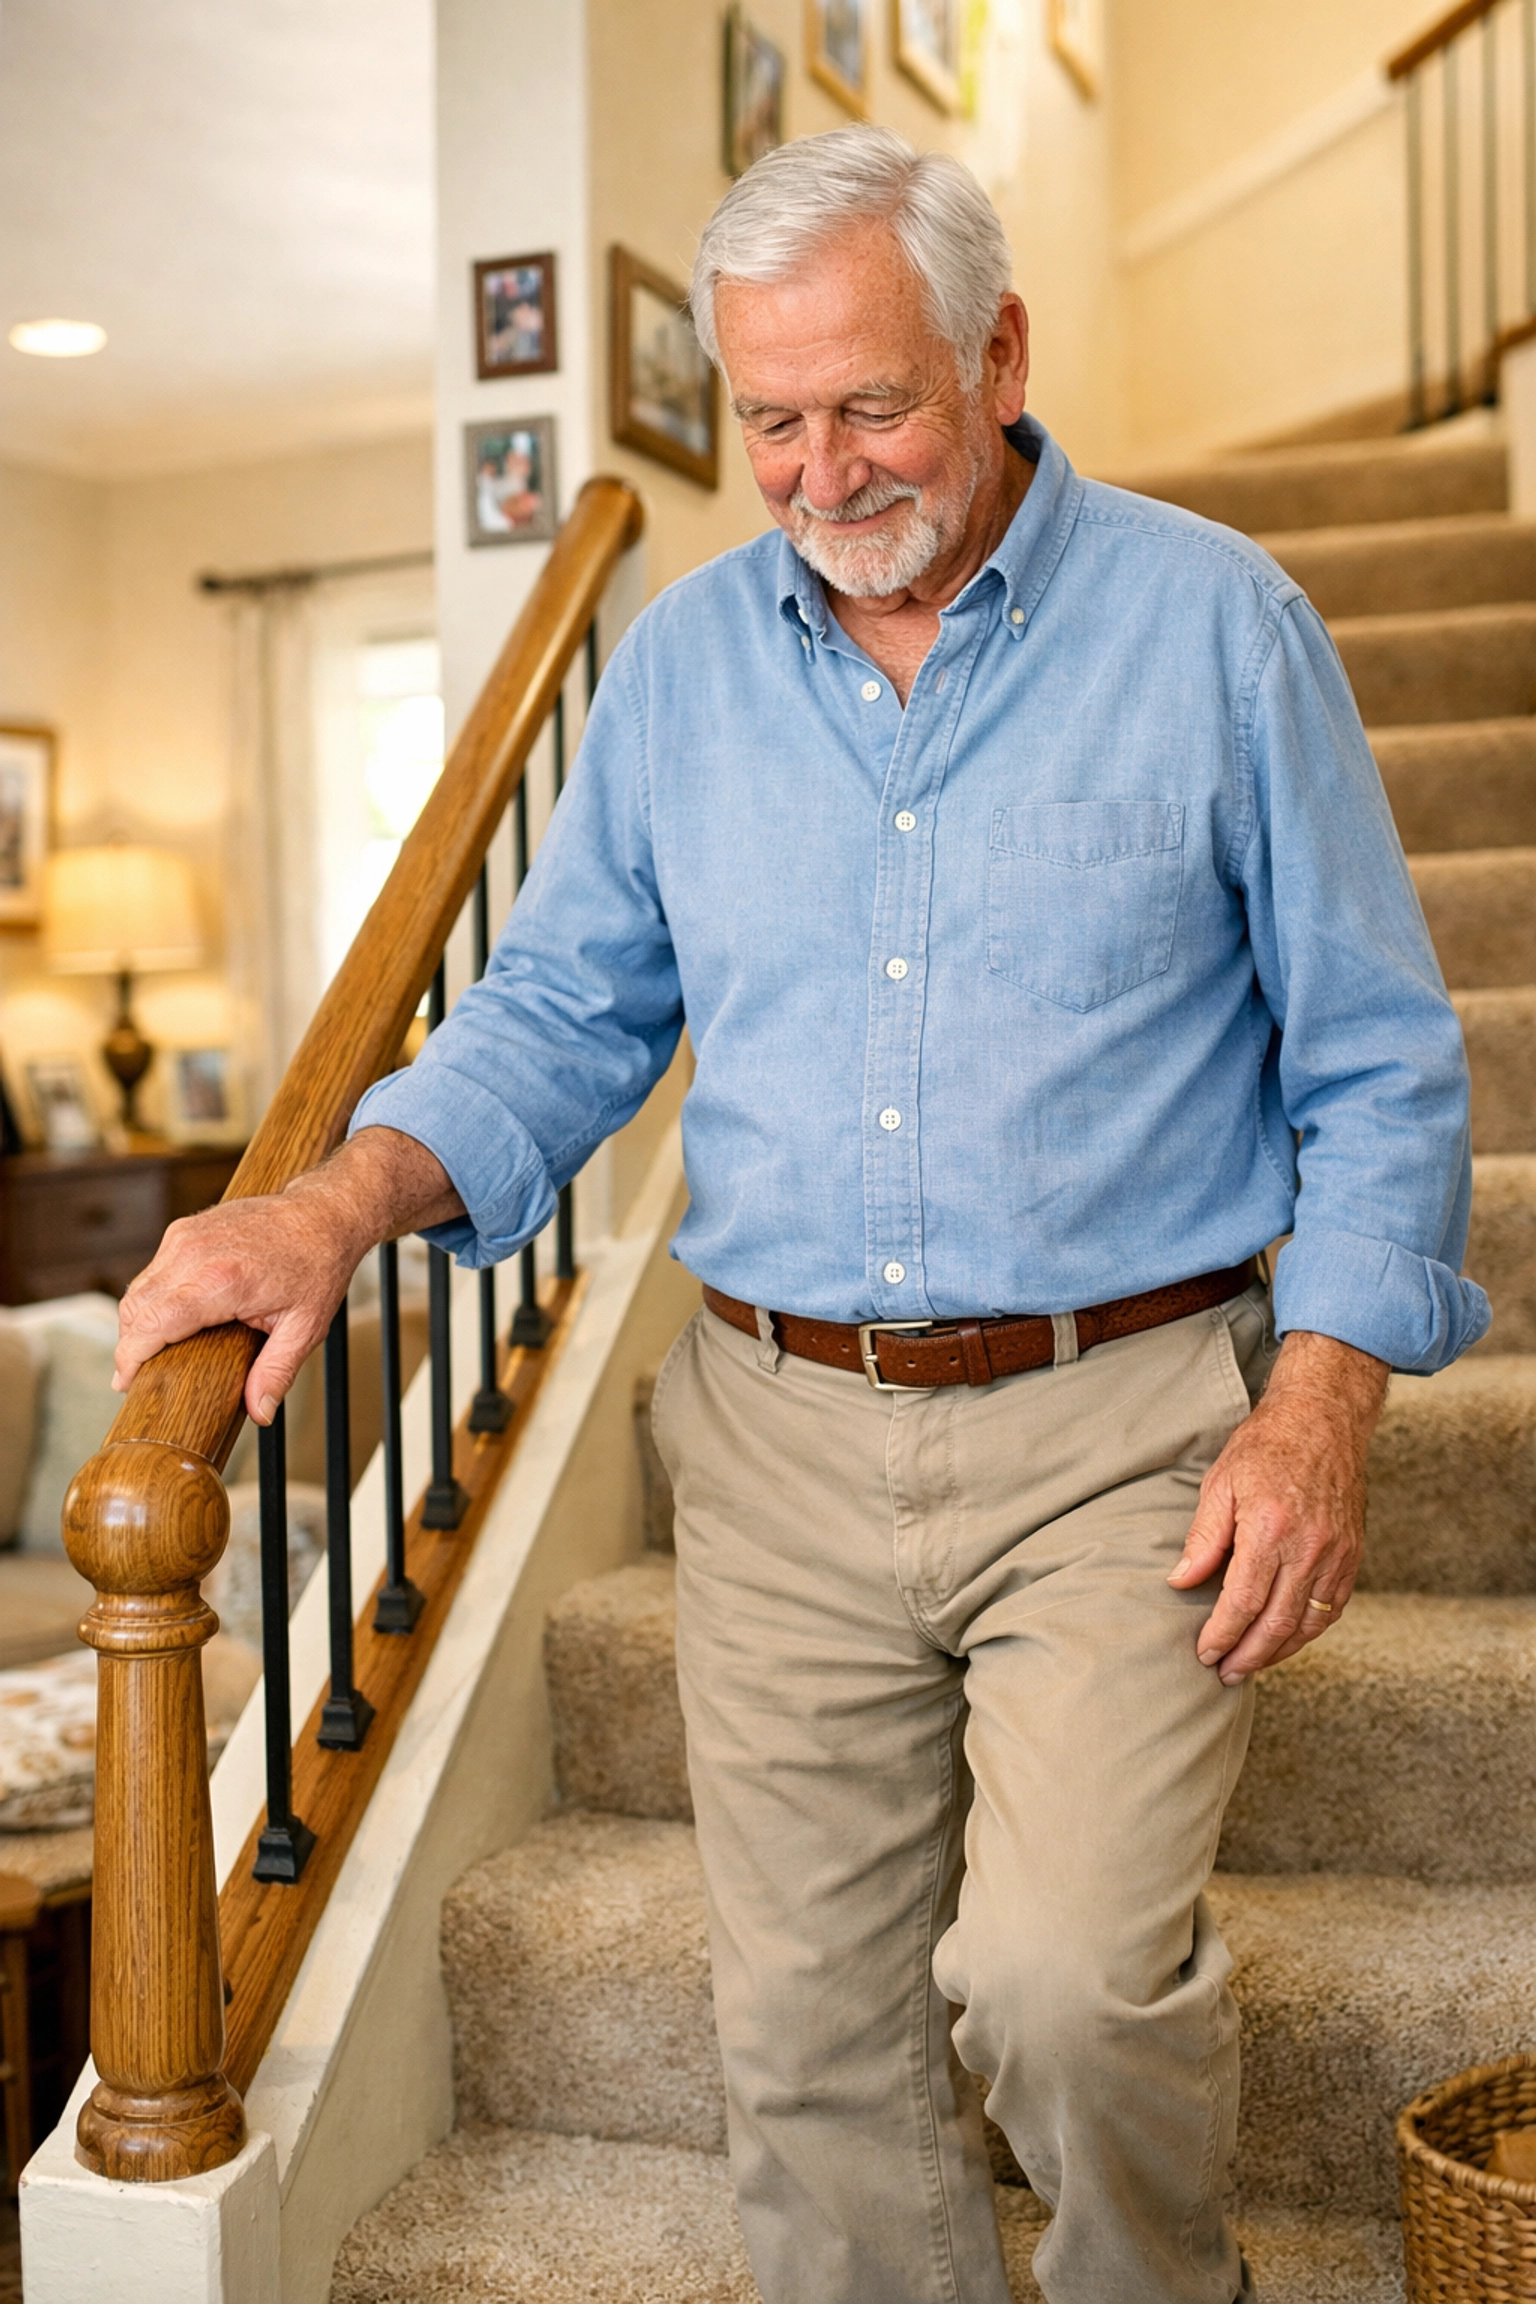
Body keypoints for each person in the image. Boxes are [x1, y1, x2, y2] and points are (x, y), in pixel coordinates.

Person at [114, 127, 1488, 2304]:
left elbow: (1380, 1060)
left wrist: (1316, 1407)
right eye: (771, 418)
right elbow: (563, 1011)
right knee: (808, 2045)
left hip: (1122, 1420)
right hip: (771, 1435)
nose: (821, 471)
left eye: (874, 405)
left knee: (1061, 1985)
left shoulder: (1223, 624)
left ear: (1001, 353)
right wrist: (339, 1201)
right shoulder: (672, 673)